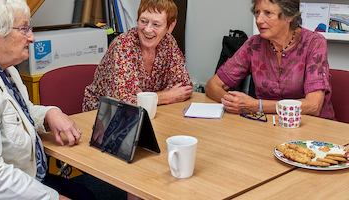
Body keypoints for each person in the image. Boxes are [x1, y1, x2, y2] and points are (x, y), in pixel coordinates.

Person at [0, 0, 95, 199]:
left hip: (27, 175)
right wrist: (52, 198)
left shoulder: (2, 65)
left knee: (86, 194)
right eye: (24, 29)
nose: (32, 38)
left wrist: (49, 114)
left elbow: (18, 112)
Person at [205, 0, 334, 119]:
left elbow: (313, 106)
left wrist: (255, 105)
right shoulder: (254, 45)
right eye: (257, 12)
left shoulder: (314, 43)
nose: (259, 20)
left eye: (268, 13)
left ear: (289, 16)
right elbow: (212, 86)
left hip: (312, 128)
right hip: (268, 126)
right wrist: (235, 103)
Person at [82, 0, 193, 112]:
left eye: (156, 24)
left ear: (170, 26)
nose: (148, 29)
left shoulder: (168, 42)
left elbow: (184, 87)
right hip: (103, 114)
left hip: (149, 112)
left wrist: (144, 97)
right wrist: (165, 96)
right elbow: (124, 101)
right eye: (143, 21)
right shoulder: (123, 45)